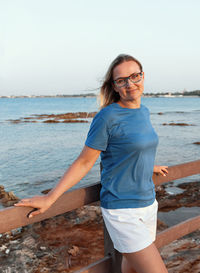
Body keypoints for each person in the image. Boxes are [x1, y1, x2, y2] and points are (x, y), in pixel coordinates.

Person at [15, 54, 168, 273]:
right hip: (122, 209)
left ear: (143, 76)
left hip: (148, 203)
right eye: (122, 80)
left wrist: (146, 165)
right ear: (114, 86)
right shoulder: (107, 117)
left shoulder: (143, 111)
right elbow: (84, 162)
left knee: (132, 267)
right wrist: (51, 198)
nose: (130, 84)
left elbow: (133, 146)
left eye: (135, 76)